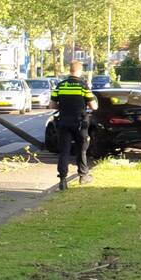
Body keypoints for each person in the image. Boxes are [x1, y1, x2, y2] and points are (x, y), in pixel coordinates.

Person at [51, 60, 98, 191]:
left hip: (64, 122)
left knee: (64, 151)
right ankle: (83, 176)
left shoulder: (60, 86)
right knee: (81, 149)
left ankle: (62, 179)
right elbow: (94, 106)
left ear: (69, 70)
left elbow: (52, 105)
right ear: (80, 71)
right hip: (79, 123)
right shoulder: (83, 86)